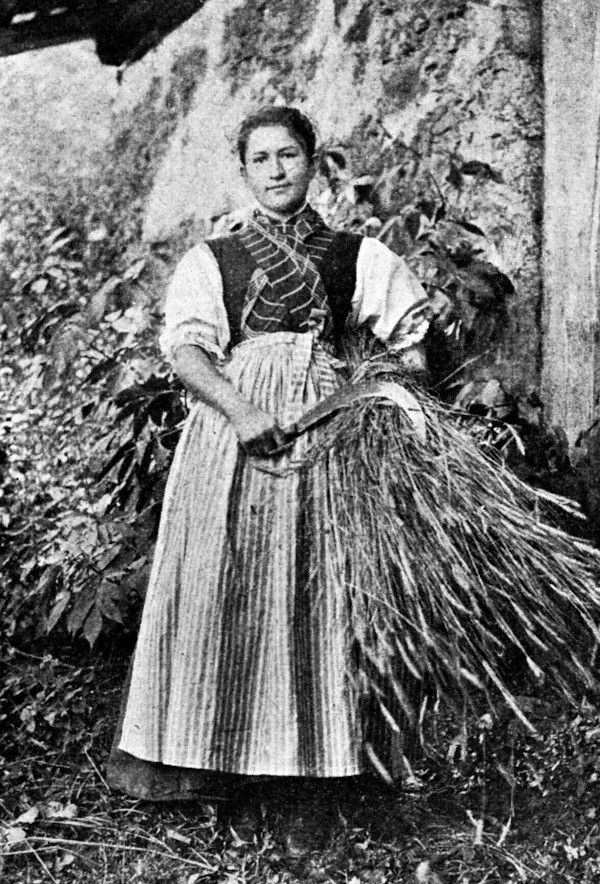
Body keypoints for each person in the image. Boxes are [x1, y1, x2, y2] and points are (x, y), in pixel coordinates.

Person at [107, 105, 430, 852]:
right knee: (232, 585)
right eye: (261, 158)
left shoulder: (358, 255)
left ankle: (308, 782)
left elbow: (411, 347)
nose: (277, 170)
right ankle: (226, 768)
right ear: (245, 171)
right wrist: (242, 409)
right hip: (233, 437)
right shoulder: (214, 258)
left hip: (326, 437)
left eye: (289, 155)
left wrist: (370, 397)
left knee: (315, 591)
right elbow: (187, 353)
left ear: (313, 162)